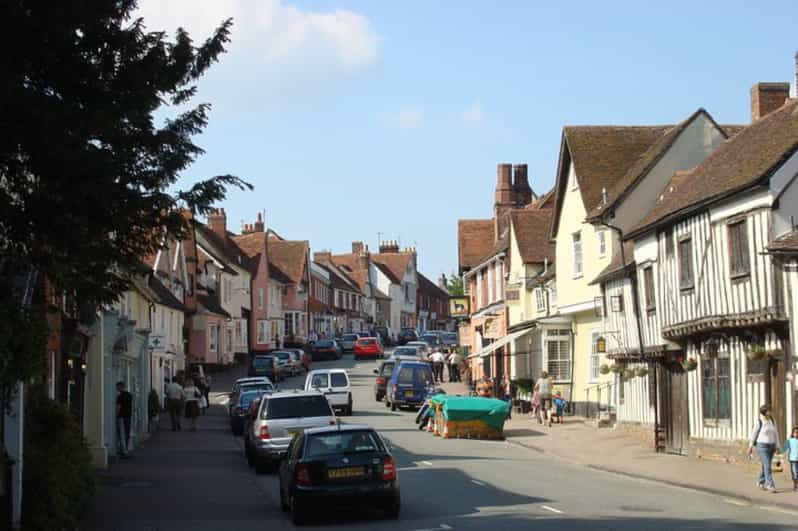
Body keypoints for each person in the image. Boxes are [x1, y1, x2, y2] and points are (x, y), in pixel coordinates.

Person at [748, 404, 780, 492]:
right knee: (767, 466)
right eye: (769, 411)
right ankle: (770, 485)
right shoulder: (759, 422)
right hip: (762, 446)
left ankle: (760, 481)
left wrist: (777, 446)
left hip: (771, 446)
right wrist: (750, 447)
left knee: (765, 466)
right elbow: (753, 434)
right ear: (764, 412)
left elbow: (776, 433)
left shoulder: (772, 421)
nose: (770, 412)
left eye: (770, 410)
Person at [115, 382, 133, 458]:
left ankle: (124, 451)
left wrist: (116, 415)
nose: (117, 389)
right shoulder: (130, 395)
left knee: (122, 433)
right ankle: (126, 449)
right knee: (127, 432)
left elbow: (118, 407)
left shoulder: (120, 396)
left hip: (121, 416)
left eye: (118, 387)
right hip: (128, 415)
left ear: (121, 387)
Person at [780, 427, 798, 492]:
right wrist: (779, 451)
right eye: (795, 432)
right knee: (795, 473)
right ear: (793, 433)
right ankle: (795, 485)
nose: (797, 434)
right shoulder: (789, 440)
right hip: (793, 460)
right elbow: (784, 448)